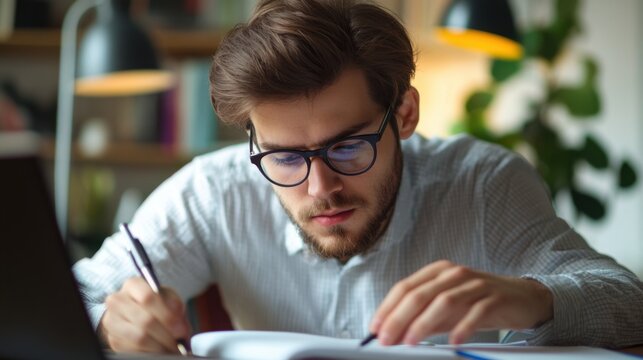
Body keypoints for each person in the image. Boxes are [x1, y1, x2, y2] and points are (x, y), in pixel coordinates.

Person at [73, 0, 643, 354]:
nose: (319, 188)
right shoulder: (213, 191)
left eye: (347, 147)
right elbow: (78, 291)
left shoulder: (482, 185)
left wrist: (531, 297)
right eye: (286, 157)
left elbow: (628, 300)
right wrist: (109, 320)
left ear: (405, 115)